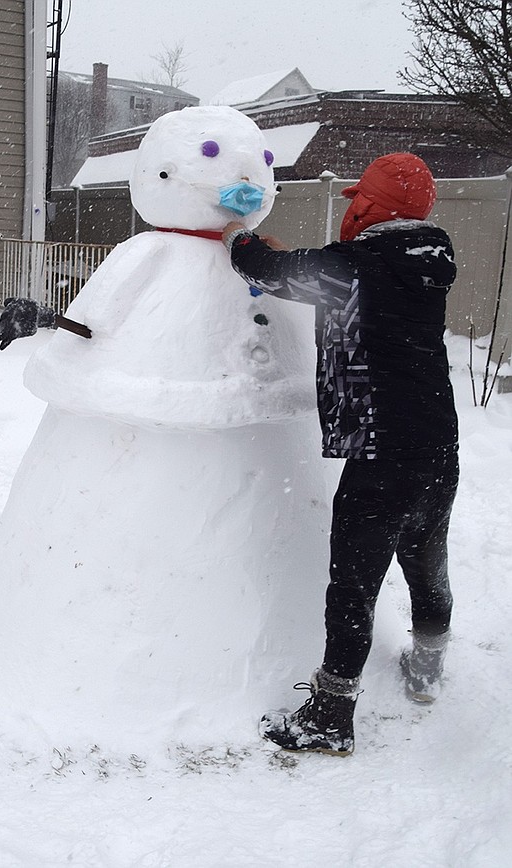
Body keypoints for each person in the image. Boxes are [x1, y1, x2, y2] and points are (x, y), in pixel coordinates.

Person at [221, 152, 459, 756]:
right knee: (426, 559)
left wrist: (239, 237)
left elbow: (269, 269)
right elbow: (316, 275)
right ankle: (427, 670)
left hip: (383, 453)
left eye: (359, 200)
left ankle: (330, 713)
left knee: (352, 586)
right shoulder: (431, 259)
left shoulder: (355, 266)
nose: (351, 209)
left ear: (373, 207)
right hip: (437, 445)